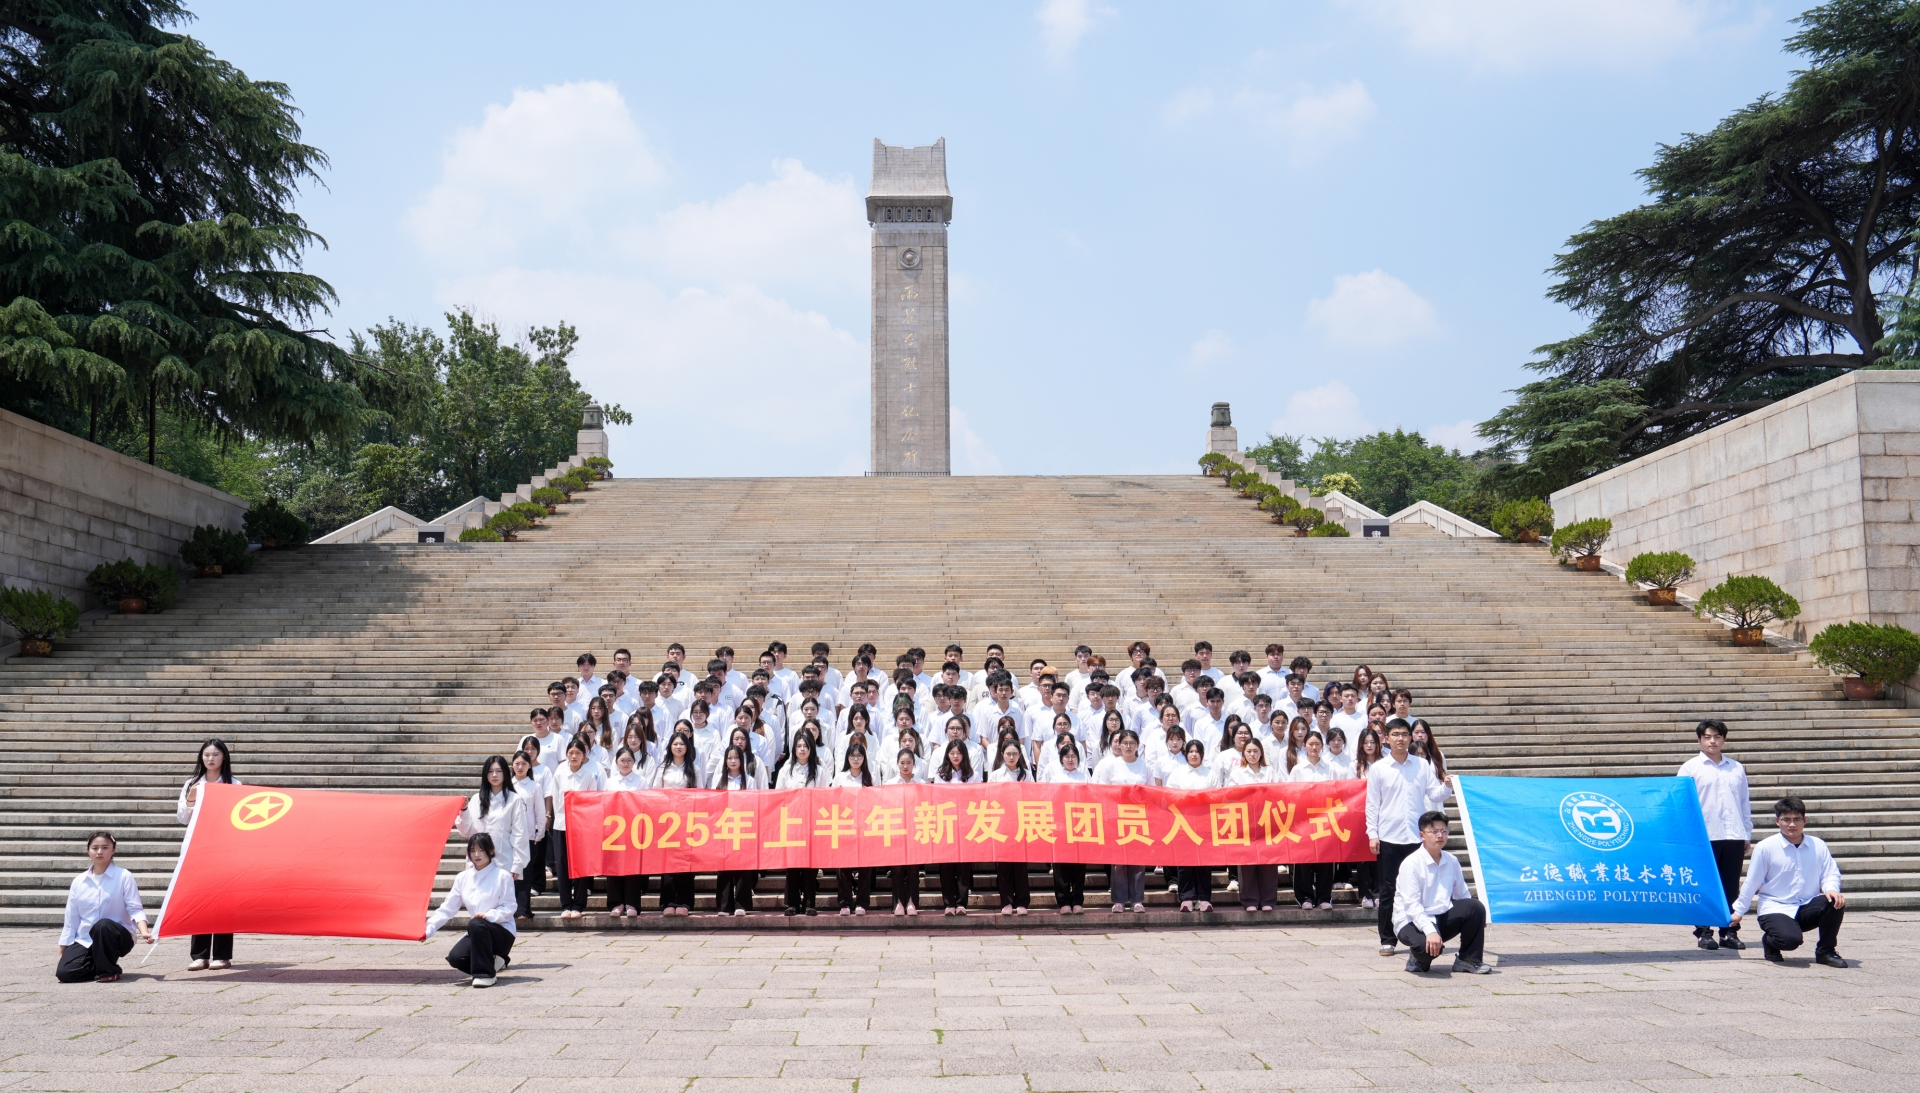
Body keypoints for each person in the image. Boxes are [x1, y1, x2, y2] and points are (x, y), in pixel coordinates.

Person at [1366, 720, 1451, 956]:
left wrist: (1446, 786)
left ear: (1411, 738)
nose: (1400, 739)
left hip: (1416, 837)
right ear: (1387, 738)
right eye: (1395, 734)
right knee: (1388, 890)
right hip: (1389, 836)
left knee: (1421, 887)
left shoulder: (1422, 765)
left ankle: (1422, 934)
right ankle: (1387, 939)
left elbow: (1434, 794)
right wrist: (1372, 834)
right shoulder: (1379, 768)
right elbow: (1372, 804)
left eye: (1404, 734)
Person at [1730, 797, 1847, 967]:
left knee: (1834, 901)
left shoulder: (1818, 845)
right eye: (1786, 819)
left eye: (1797, 819)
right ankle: (1770, 941)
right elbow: (1752, 882)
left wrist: (1831, 889)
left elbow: (1830, 873)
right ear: (1777, 821)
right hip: (1775, 907)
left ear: (1804, 821)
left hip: (1806, 905)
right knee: (1790, 941)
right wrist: (1739, 911)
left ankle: (1826, 951)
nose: (1792, 824)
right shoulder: (1766, 847)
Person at [1679, 718, 1752, 950]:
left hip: (1733, 834)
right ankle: (1704, 932)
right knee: (1704, 884)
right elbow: (1682, 804)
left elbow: (1744, 802)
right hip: (1704, 835)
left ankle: (1729, 932)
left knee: (1731, 886)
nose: (1713, 741)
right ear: (1699, 740)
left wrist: (1747, 833)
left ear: (1724, 740)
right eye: (1708, 737)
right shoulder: (1690, 768)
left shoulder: (1736, 768)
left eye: (1717, 737)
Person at [1391, 811, 1491, 974]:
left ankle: (1467, 960)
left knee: (1475, 907)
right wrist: (1430, 931)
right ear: (1422, 835)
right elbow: (1412, 906)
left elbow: (1462, 895)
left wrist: (1477, 918)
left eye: (1444, 831)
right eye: (1434, 831)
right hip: (1411, 920)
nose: (1440, 835)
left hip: (1441, 915)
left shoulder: (1452, 860)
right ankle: (1417, 959)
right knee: (1425, 949)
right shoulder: (1411, 864)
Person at [175, 738, 239, 970]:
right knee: (199, 899)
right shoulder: (192, 783)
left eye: (215, 754)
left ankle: (222, 955)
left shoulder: (234, 784)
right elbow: (182, 818)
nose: (211, 759)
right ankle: (200, 955)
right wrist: (192, 796)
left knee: (223, 901)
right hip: (199, 847)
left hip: (224, 848)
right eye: (207, 755)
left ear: (224, 757)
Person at [425, 833, 519, 987]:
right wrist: (429, 929)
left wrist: (489, 915)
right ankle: (494, 962)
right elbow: (448, 908)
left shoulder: (503, 876)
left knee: (476, 923)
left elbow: (510, 906)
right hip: (477, 931)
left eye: (481, 850)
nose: (476, 854)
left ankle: (486, 975)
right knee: (456, 958)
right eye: (473, 850)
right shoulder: (463, 877)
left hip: (501, 931)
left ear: (491, 851)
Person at [57, 832, 151, 983]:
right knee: (65, 973)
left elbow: (135, 908)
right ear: (88, 851)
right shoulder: (79, 881)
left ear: (113, 850)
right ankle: (100, 965)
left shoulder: (124, 876)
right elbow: (71, 919)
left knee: (102, 925)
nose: (99, 852)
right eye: (95, 848)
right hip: (86, 937)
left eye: (105, 847)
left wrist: (144, 932)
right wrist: (62, 951)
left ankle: (109, 971)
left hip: (117, 936)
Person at [455, 756, 529, 915]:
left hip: (503, 861)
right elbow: (466, 831)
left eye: (498, 771)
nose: (494, 775)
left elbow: (520, 834)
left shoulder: (514, 800)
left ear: (505, 773)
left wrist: (518, 864)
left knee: (501, 909)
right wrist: (464, 810)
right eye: (490, 771)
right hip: (478, 862)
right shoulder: (477, 799)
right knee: (479, 908)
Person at [1093, 730, 1151, 913]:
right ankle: (1118, 900)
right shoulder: (1111, 765)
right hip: (1116, 817)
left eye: (1132, 743)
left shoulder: (1145, 766)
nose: (1128, 746)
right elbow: (1102, 791)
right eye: (1125, 743)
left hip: (1138, 817)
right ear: (1119, 745)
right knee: (1118, 862)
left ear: (1137, 745)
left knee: (1138, 861)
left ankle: (1137, 900)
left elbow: (1151, 792)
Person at [549, 735, 603, 919]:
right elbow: (557, 800)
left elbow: (592, 801)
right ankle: (566, 904)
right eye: (571, 753)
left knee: (580, 865)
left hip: (582, 827)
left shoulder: (589, 775)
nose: (574, 756)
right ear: (566, 754)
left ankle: (579, 904)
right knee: (562, 865)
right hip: (562, 825)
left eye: (578, 753)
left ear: (584, 755)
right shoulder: (559, 773)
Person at [1286, 732, 1337, 910]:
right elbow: (1290, 794)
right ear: (1304, 746)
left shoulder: (1330, 768)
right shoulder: (1298, 769)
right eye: (1310, 744)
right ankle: (1305, 897)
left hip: (1325, 820)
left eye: (1317, 744)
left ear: (1322, 746)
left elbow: (1337, 792)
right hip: (1303, 821)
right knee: (1303, 860)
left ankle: (1324, 897)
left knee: (1326, 859)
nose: (1314, 747)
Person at [1229, 738, 1281, 913]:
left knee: (1268, 862)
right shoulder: (1237, 774)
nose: (1252, 754)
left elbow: (1279, 795)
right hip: (1245, 823)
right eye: (1249, 751)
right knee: (1246, 862)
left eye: (1255, 751)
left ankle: (1268, 899)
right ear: (1244, 753)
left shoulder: (1270, 772)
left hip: (1267, 822)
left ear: (1261, 753)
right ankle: (1249, 899)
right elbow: (1231, 797)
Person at [652, 732, 701, 916]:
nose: (679, 747)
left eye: (682, 744)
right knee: (668, 862)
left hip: (687, 820)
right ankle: (667, 902)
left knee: (686, 862)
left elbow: (699, 794)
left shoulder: (694, 768)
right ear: (670, 747)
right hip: (667, 820)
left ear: (687, 747)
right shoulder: (663, 768)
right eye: (675, 744)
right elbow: (655, 793)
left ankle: (684, 902)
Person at [775, 733, 823, 916]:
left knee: (811, 866)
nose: (802, 749)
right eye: (799, 746)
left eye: (806, 746)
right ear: (794, 749)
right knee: (792, 866)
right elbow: (778, 797)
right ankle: (792, 903)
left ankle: (810, 903)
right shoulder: (786, 770)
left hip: (812, 823)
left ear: (811, 749)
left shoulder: (820, 771)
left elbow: (825, 796)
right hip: (792, 823)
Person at [1164, 739, 1215, 913]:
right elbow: (1170, 795)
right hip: (1183, 823)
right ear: (1186, 754)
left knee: (1204, 863)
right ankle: (1186, 898)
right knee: (1185, 863)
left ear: (1202, 754)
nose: (1194, 754)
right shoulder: (1177, 773)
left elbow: (1217, 797)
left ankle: (1204, 898)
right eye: (1191, 751)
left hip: (1204, 823)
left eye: (1197, 751)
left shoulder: (1210, 774)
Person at [933, 739, 978, 915]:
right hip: (946, 824)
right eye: (952, 753)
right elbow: (937, 798)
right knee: (946, 866)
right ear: (947, 755)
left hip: (966, 825)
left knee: (963, 867)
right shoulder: (940, 775)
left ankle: (961, 903)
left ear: (964, 755)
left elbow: (977, 798)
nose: (955, 756)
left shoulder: (973, 775)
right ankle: (948, 903)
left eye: (959, 753)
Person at [1045, 743, 1089, 913]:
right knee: (1060, 865)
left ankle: (1077, 900)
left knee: (1079, 864)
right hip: (1060, 825)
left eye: (1073, 756)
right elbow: (1050, 800)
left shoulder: (1084, 777)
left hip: (1080, 824)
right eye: (1067, 756)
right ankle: (1063, 902)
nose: (1070, 759)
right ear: (1061, 759)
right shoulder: (1056, 779)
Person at [833, 745, 875, 916]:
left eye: (859, 756)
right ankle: (845, 902)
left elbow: (877, 800)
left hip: (865, 827)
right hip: (844, 826)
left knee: (865, 867)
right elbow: (832, 800)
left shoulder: (870, 777)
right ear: (847, 758)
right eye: (852, 755)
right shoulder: (840, 777)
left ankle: (862, 903)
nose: (856, 759)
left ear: (864, 758)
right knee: (843, 866)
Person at [508, 750, 547, 918]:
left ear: (529, 766)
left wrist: (540, 832)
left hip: (528, 835)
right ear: (512, 765)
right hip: (509, 835)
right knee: (510, 872)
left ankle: (523, 909)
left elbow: (539, 811)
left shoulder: (534, 786)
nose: (520, 767)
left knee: (525, 872)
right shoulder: (507, 785)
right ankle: (510, 908)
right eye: (517, 763)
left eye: (524, 763)